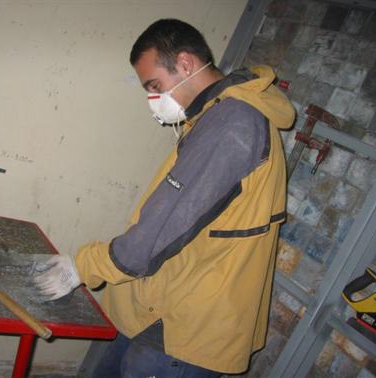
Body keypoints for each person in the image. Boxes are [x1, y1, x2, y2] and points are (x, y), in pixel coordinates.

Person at [35, 19, 295, 377]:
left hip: (192, 325)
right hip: (169, 300)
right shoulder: (216, 115)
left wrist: (83, 266)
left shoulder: (233, 123)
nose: (153, 100)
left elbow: (161, 226)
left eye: (155, 86)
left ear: (186, 64)